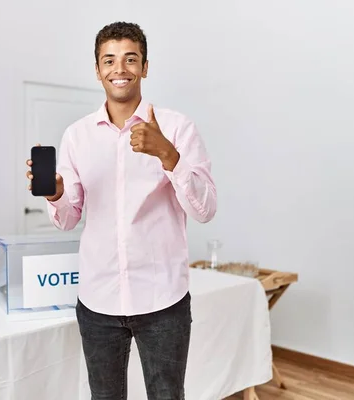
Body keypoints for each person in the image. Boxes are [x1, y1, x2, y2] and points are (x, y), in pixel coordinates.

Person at [26, 22, 217, 399]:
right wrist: (57, 194)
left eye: (130, 59)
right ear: (97, 70)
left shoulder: (178, 128)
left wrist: (168, 154)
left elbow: (206, 209)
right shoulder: (77, 136)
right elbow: (67, 220)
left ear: (145, 66)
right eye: (109, 60)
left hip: (163, 299)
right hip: (98, 300)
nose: (120, 69)